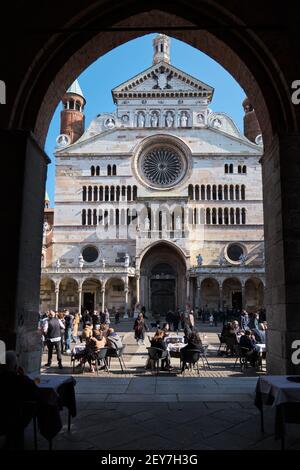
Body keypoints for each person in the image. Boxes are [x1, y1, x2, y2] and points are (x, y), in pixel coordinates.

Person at [0, 351, 40, 449]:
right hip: (14, 421)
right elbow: (35, 391)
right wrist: (23, 375)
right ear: (15, 367)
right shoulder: (20, 381)